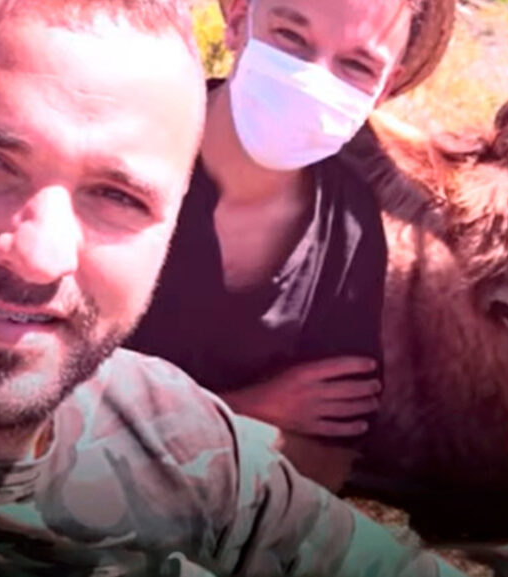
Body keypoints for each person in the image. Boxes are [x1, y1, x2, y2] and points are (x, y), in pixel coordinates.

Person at [0, 0, 475, 574]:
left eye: (117, 197)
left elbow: (326, 457)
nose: (40, 256)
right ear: (236, 18)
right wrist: (259, 408)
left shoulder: (193, 447)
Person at [124, 0, 456, 491]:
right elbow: (28, 391)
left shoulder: (351, 229)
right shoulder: (120, 158)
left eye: (357, 66)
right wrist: (244, 409)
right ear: (238, 19)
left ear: (384, 88)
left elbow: (323, 461)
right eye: (290, 37)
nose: (312, 78)